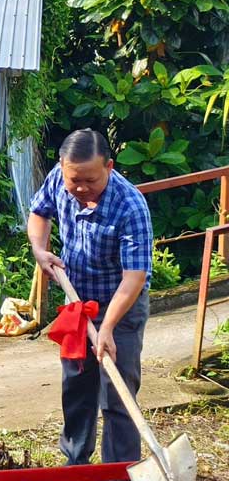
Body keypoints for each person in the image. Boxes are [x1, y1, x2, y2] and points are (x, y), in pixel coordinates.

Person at [28, 129, 152, 464]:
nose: (81, 188)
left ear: (109, 167)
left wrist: (108, 327)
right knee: (77, 387)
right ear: (62, 167)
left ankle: (119, 473)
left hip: (121, 308)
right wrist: (39, 250)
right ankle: (75, 465)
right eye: (75, 180)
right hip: (77, 304)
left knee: (118, 392)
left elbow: (134, 277)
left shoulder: (130, 206)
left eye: (91, 180)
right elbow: (39, 212)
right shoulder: (59, 178)